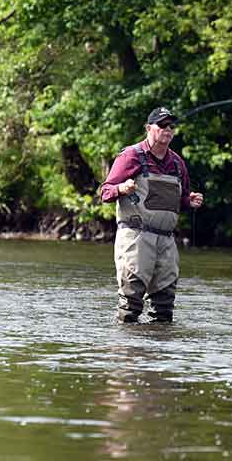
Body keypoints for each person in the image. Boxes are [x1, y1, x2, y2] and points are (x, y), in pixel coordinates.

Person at [98, 106, 204, 323]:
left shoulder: (177, 164)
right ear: (148, 128)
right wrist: (121, 189)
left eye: (171, 126)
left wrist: (189, 201)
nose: (168, 130)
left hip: (166, 241)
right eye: (162, 125)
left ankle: (160, 353)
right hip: (136, 237)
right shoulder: (131, 156)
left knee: (165, 307)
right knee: (131, 302)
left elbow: (178, 202)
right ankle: (128, 351)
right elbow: (105, 192)